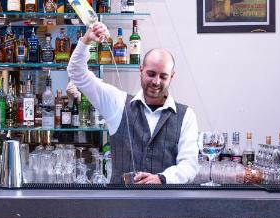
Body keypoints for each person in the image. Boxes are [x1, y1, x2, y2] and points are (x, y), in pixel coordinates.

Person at [67, 22, 198, 183]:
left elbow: (190, 165)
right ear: (141, 70)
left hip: (165, 199)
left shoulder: (186, 116)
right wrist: (87, 40)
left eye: (163, 76)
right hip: (121, 199)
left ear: (172, 76)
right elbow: (76, 73)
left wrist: (162, 178)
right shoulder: (117, 103)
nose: (156, 82)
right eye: (151, 74)